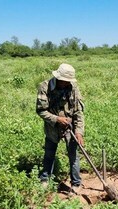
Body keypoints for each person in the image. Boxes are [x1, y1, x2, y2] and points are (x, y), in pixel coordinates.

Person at [36, 63, 84, 194]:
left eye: (67, 81)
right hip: (52, 127)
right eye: (63, 81)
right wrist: (57, 119)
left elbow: (79, 112)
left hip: (70, 126)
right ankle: (45, 180)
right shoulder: (45, 87)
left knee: (73, 155)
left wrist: (79, 132)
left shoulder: (73, 87)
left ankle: (76, 183)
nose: (65, 84)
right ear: (57, 77)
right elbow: (41, 110)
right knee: (49, 153)